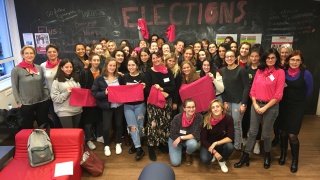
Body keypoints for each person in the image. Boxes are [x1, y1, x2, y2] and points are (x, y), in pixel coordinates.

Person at [234, 48, 285, 169]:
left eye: (273, 58)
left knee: (266, 134)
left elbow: (278, 94)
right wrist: (255, 104)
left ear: (276, 59)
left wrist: (265, 107)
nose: (270, 60)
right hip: (256, 105)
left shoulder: (280, 72)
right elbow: (253, 90)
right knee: (252, 132)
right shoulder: (260, 71)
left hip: (271, 107)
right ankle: (245, 155)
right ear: (264, 59)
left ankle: (267, 155)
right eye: (268, 58)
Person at [278, 50, 313, 173]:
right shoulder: (282, 71)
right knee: (282, 132)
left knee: (292, 135)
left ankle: (294, 160)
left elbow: (309, 91)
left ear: (301, 61)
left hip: (297, 108)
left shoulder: (306, 73)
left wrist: (301, 104)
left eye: (297, 60)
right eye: (292, 59)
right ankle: (283, 154)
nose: (295, 62)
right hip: (283, 106)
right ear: (288, 60)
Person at [145, 51, 175, 161]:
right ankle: (151, 148)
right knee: (153, 125)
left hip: (166, 103)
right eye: (153, 58)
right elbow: (147, 89)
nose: (156, 60)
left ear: (162, 58)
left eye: (158, 58)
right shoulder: (149, 72)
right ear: (151, 60)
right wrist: (160, 93)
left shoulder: (168, 71)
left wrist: (163, 89)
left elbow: (172, 87)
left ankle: (162, 144)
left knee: (165, 124)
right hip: (154, 103)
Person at [11, 45, 50, 129]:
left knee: (43, 124)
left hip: (42, 101)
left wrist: (47, 95)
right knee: (27, 125)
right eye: (26, 53)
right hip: (26, 103)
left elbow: (43, 83)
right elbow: (14, 87)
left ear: (34, 55)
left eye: (31, 53)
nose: (29, 55)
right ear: (23, 55)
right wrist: (18, 102)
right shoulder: (16, 70)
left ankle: (43, 140)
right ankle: (28, 141)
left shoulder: (38, 68)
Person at [91, 57, 124, 157]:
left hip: (119, 105)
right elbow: (94, 93)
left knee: (119, 125)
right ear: (106, 66)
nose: (112, 67)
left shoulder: (120, 77)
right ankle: (106, 145)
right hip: (106, 106)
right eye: (110, 65)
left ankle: (118, 143)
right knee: (106, 127)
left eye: (114, 65)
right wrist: (104, 93)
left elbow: (125, 89)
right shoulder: (99, 78)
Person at [219, 50, 249, 151]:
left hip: (238, 102)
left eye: (231, 56)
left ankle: (237, 147)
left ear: (236, 58)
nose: (229, 58)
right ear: (224, 58)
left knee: (236, 125)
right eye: (227, 57)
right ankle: (230, 145)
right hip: (228, 102)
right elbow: (221, 88)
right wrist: (225, 102)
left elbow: (246, 88)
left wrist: (244, 103)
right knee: (228, 125)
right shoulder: (222, 71)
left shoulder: (241, 70)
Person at [122, 57, 147, 161]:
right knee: (132, 126)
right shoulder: (124, 77)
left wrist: (145, 87)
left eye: (133, 65)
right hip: (127, 105)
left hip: (140, 105)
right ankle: (139, 148)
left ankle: (135, 144)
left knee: (140, 126)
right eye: (129, 65)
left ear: (137, 66)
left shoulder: (143, 76)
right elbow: (121, 91)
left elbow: (147, 92)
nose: (131, 67)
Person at [200, 99, 235, 173]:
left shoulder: (228, 119)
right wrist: (214, 152)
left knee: (230, 146)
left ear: (222, 108)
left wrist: (216, 143)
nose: (215, 109)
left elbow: (230, 137)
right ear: (211, 110)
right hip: (208, 143)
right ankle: (214, 155)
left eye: (217, 106)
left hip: (221, 143)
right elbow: (203, 140)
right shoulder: (206, 120)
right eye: (213, 107)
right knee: (205, 160)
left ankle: (222, 161)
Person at [168, 98, 203, 166]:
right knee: (175, 163)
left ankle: (188, 153)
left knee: (194, 144)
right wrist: (178, 139)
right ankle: (179, 149)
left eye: (193, 107)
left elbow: (196, 134)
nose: (191, 109)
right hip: (175, 139)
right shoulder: (177, 118)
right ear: (184, 108)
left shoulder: (199, 117)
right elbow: (172, 133)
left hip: (187, 140)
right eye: (188, 107)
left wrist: (181, 138)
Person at [79, 54, 103, 150]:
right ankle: (88, 139)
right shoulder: (85, 72)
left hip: (100, 98)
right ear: (90, 61)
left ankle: (99, 136)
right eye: (94, 60)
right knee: (88, 120)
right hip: (88, 99)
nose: (96, 62)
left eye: (98, 60)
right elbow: (81, 85)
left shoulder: (102, 72)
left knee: (100, 119)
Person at [243, 46, 264, 154]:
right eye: (252, 56)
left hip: (258, 99)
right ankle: (245, 139)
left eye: (256, 56)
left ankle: (257, 143)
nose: (254, 58)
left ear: (259, 57)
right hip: (247, 98)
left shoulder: (262, 69)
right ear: (249, 57)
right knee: (246, 120)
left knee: (257, 122)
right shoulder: (246, 68)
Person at [51, 58, 82, 128]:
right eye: (66, 67)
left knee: (76, 134)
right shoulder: (56, 82)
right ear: (61, 68)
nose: (69, 69)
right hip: (64, 111)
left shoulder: (75, 79)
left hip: (77, 110)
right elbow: (55, 98)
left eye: (71, 67)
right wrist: (66, 93)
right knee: (69, 134)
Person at [272, 43, 293, 147]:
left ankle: (283, 138)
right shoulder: (276, 63)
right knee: (276, 119)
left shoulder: (292, 64)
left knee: (285, 119)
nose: (284, 54)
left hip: (287, 97)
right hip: (275, 95)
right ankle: (276, 136)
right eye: (282, 52)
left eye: (286, 52)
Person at [40, 44, 62, 128]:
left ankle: (66, 135)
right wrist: (47, 94)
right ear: (46, 53)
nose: (52, 53)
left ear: (57, 53)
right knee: (55, 117)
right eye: (49, 52)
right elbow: (42, 82)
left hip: (63, 95)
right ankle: (58, 135)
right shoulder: (42, 66)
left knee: (63, 116)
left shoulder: (62, 63)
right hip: (50, 97)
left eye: (54, 52)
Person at [164, 53, 182, 117]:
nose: (171, 63)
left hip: (173, 98)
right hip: (163, 98)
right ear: (166, 61)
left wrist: (175, 102)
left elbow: (177, 88)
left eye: (173, 61)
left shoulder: (177, 72)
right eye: (170, 61)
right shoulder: (162, 70)